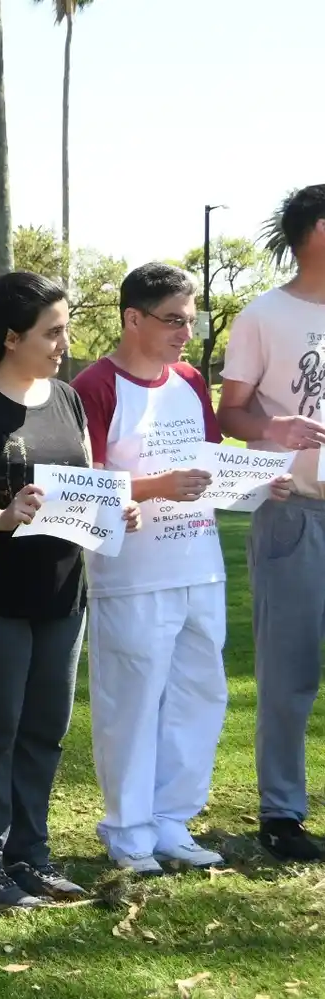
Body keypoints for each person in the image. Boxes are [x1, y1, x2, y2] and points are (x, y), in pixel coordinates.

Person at [0, 272, 138, 910]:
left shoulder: (67, 398)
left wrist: (113, 508)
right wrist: (4, 514)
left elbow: (88, 478)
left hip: (60, 596)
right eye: (53, 332)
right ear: (11, 337)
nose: (65, 344)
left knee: (44, 728)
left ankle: (28, 856)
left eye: (64, 329)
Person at [74, 262, 293, 874]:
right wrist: (156, 486)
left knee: (201, 695)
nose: (184, 334)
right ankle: (128, 831)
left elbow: (209, 461)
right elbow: (85, 484)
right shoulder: (95, 385)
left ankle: (173, 821)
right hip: (130, 574)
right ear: (132, 318)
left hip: (199, 565)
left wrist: (255, 483)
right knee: (132, 700)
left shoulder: (192, 379)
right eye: (173, 320)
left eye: (190, 322)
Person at [217, 183, 325, 862]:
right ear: (315, 233)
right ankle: (282, 815)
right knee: (289, 672)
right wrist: (271, 426)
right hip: (295, 513)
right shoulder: (263, 315)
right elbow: (231, 413)